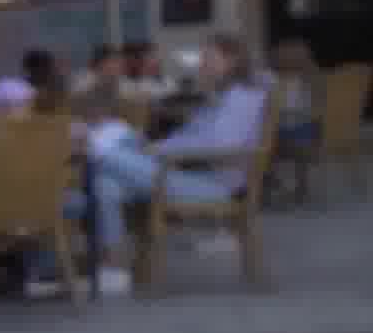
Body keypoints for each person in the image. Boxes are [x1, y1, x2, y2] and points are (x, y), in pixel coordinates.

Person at [82, 33, 270, 295]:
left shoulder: (242, 97)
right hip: (195, 176)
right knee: (107, 183)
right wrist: (150, 146)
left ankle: (94, 148)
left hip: (218, 188)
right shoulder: (225, 96)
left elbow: (218, 143)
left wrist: (154, 150)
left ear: (231, 61)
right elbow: (192, 136)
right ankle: (116, 269)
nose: (202, 64)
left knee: (106, 156)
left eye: (209, 58)